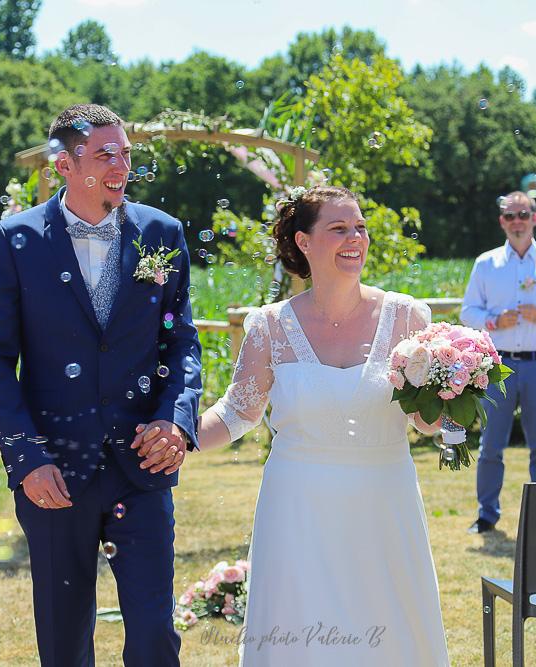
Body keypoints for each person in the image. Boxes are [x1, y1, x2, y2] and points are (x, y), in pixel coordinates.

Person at [0, 104, 202, 666]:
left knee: (154, 636)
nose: (120, 164)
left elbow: (182, 343)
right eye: (105, 154)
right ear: (64, 166)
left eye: (126, 153)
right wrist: (26, 460)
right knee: (64, 639)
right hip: (55, 472)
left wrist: (176, 418)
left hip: (141, 469)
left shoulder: (162, 233)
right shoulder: (14, 240)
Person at [187, 185, 449, 665]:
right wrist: (178, 440)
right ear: (304, 242)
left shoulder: (407, 317)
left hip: (383, 502)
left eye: (360, 228)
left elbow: (426, 422)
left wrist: (456, 395)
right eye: (339, 228)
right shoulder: (269, 326)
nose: (356, 238)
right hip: (297, 508)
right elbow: (236, 413)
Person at [459, 191, 536, 534]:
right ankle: (486, 515)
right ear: (502, 221)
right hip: (497, 366)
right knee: (491, 445)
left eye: (523, 215)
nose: (517, 222)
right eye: (510, 216)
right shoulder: (486, 263)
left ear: (534, 219)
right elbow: (469, 312)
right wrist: (495, 321)